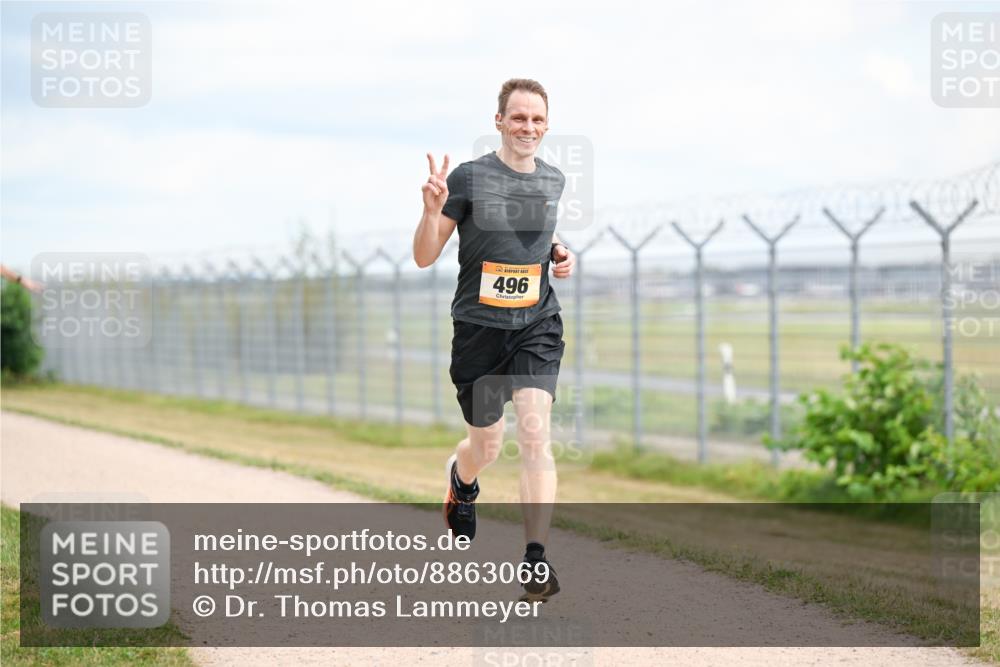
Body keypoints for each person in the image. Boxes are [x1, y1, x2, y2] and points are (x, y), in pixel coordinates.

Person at [412, 78, 574, 602]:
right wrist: (431, 210)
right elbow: (424, 255)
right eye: (518, 117)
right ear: (499, 121)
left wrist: (557, 251)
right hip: (480, 332)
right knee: (487, 445)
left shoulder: (553, 180)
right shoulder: (469, 178)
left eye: (537, 119)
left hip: (535, 325)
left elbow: (533, 233)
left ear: (546, 126)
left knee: (534, 434)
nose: (528, 127)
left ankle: (534, 560)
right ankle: (462, 481)